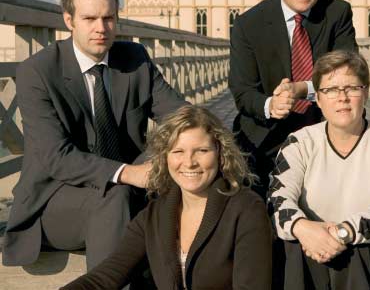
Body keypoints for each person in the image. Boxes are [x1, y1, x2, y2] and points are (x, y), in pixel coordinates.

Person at [2, 0, 187, 269]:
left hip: (126, 190)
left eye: (108, 18)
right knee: (117, 199)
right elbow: (56, 158)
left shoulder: (134, 58)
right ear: (69, 20)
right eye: (89, 19)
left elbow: (182, 118)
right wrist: (128, 173)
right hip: (57, 198)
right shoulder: (37, 72)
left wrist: (167, 159)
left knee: (189, 170)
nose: (101, 29)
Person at [62, 105, 272, 289]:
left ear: (220, 153)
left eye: (201, 150)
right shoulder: (154, 214)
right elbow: (106, 277)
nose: (189, 162)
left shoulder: (247, 209)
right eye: (178, 152)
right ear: (165, 157)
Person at [269, 50, 370, 289]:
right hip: (311, 249)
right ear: (318, 98)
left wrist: (344, 232)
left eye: (352, 88)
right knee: (295, 247)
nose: (342, 97)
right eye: (330, 90)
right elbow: (277, 199)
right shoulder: (298, 142)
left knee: (356, 253)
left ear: (366, 93)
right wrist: (303, 227)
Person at [229, 0, 357, 198]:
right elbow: (243, 92)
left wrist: (303, 89)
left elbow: (348, 72)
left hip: (322, 121)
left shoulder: (337, 13)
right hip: (267, 131)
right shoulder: (248, 24)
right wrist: (271, 105)